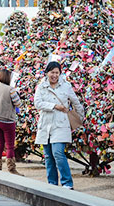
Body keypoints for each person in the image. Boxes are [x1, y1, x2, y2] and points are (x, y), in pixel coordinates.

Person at [34, 61, 84, 190]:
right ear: (47, 73)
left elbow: (76, 102)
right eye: (52, 72)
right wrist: (54, 106)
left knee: (58, 153)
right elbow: (38, 103)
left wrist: (80, 118)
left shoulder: (65, 86)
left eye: (57, 73)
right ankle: (52, 183)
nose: (54, 75)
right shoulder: (42, 86)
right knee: (48, 156)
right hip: (46, 124)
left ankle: (67, 183)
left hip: (61, 124)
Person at [0, 69, 22, 175]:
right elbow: (18, 103)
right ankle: (11, 168)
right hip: (7, 121)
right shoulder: (10, 89)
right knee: (10, 146)